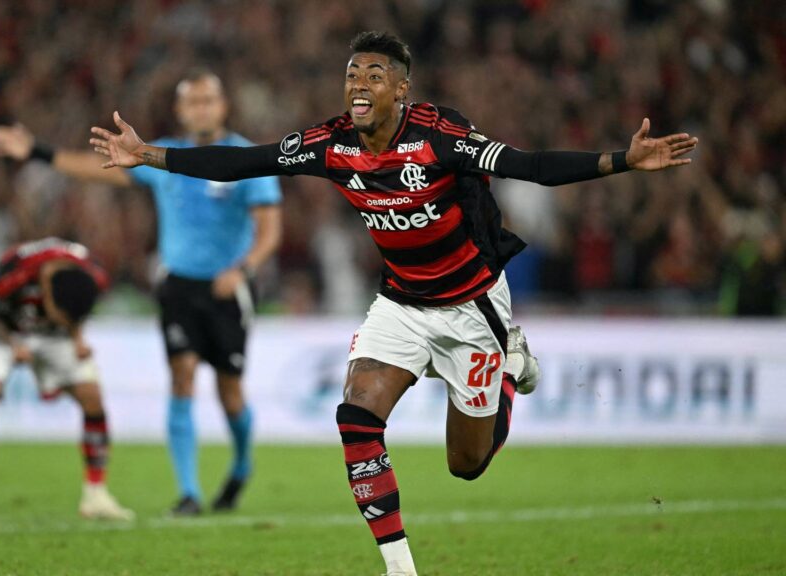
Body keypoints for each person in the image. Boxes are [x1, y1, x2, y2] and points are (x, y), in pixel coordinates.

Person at [90, 31, 698, 576]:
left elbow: (529, 165)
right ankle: (399, 568)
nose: (358, 84)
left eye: (374, 76)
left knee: (467, 464)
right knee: (356, 415)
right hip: (401, 303)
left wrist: (622, 160)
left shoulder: (440, 138)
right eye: (352, 74)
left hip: (472, 306)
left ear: (401, 89)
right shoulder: (331, 143)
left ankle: (511, 366)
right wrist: (149, 155)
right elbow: (248, 160)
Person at [0, 69, 282, 516]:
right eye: (193, 101)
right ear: (180, 110)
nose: (202, 109)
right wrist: (37, 152)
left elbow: (270, 231)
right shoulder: (161, 156)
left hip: (228, 287)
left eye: (209, 100)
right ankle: (189, 493)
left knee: (230, 393)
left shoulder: (245, 159)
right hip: (179, 284)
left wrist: (243, 270)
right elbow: (98, 169)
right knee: (181, 377)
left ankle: (241, 465)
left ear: (223, 106)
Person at [0, 237, 134, 522]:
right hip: (1, 328)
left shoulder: (95, 275)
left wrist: (77, 336)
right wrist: (13, 344)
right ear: (46, 292)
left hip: (52, 335)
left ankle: (96, 495)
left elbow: (75, 308)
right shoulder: (14, 274)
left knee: (92, 396)